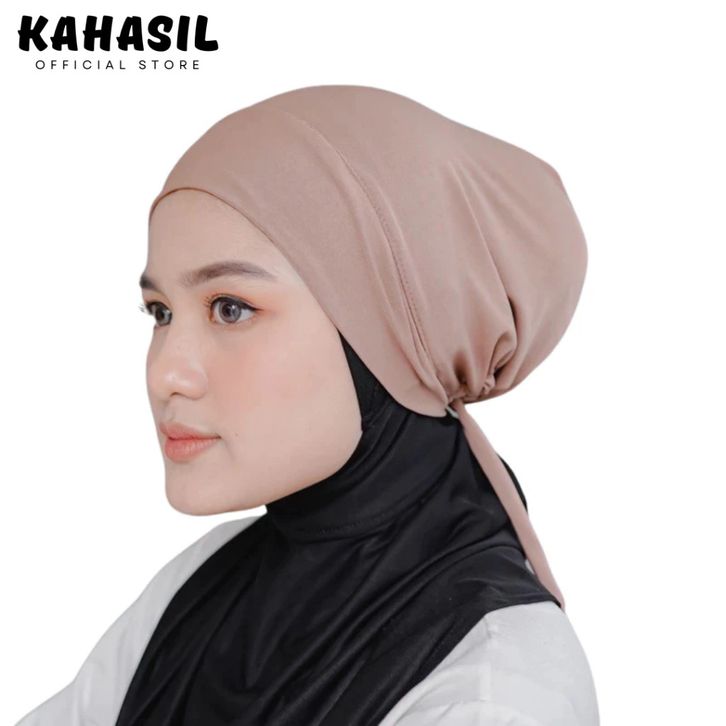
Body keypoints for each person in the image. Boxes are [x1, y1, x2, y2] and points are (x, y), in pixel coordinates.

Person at [16, 85, 600, 725]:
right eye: (160, 312)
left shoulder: (497, 693)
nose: (165, 374)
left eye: (230, 308)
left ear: (391, 341)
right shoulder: (201, 583)